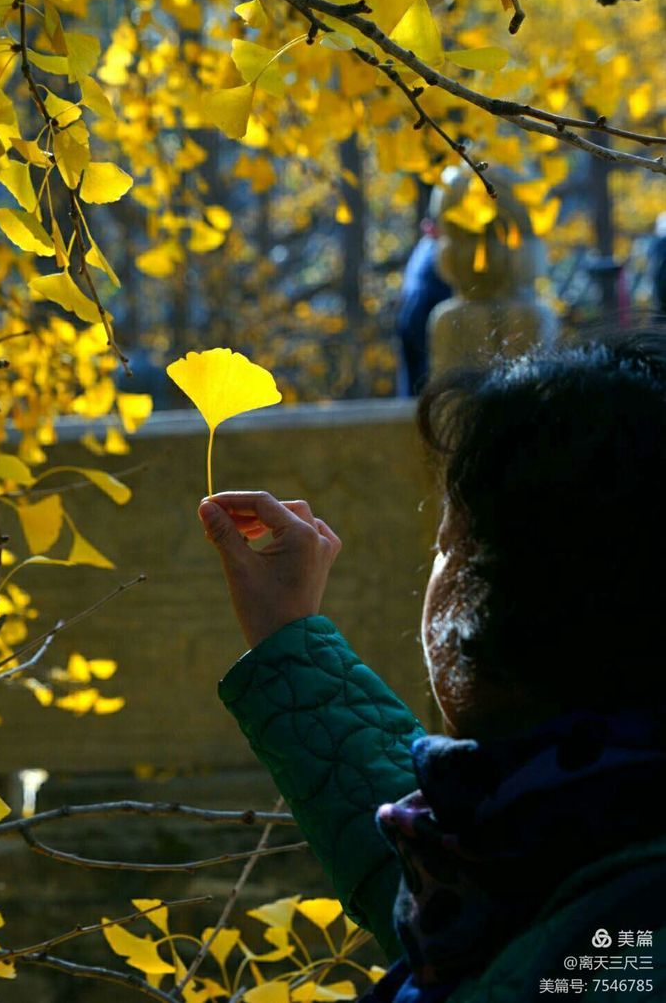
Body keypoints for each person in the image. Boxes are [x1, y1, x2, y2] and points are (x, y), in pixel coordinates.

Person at [197, 330, 666, 1002]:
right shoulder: (557, 843)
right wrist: (290, 640)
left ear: (483, 608)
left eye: (446, 547)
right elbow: (438, 878)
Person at [396, 218, 451, 397]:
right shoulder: (435, 250)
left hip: (415, 314)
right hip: (423, 315)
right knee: (422, 378)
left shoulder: (426, 247)